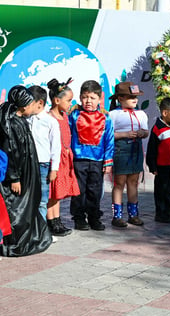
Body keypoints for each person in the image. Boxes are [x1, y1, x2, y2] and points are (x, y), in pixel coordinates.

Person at [0, 85, 52, 256]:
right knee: (17, 207)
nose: (32, 107)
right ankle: (15, 241)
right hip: (18, 176)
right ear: (23, 106)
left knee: (29, 204)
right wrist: (14, 177)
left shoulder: (20, 120)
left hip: (27, 172)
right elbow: (11, 152)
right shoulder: (12, 124)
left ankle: (29, 236)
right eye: (30, 104)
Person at [69, 80, 114, 231]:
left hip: (97, 160)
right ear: (80, 97)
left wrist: (108, 162)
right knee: (79, 191)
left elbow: (109, 139)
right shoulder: (74, 115)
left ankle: (94, 217)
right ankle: (79, 218)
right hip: (79, 160)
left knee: (95, 190)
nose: (88, 101)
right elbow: (68, 136)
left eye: (92, 98)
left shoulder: (105, 117)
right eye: (85, 97)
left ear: (99, 98)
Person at [108, 82, 149, 228]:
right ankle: (117, 216)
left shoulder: (141, 114)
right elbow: (107, 134)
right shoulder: (113, 114)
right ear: (120, 98)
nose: (135, 100)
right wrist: (124, 134)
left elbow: (146, 131)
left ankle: (133, 214)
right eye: (131, 97)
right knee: (119, 183)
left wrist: (142, 133)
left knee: (133, 182)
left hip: (136, 150)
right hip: (121, 150)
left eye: (136, 97)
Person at [46, 79, 81, 236]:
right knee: (51, 192)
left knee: (58, 193)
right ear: (56, 100)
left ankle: (57, 220)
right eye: (68, 100)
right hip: (55, 160)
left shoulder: (64, 116)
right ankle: (50, 221)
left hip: (65, 159)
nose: (70, 103)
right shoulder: (48, 118)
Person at [27, 85, 64, 235]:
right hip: (27, 164)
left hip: (43, 165)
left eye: (29, 103)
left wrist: (54, 168)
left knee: (42, 200)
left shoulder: (50, 121)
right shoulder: (25, 119)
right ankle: (29, 232)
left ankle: (42, 233)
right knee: (28, 199)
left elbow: (56, 147)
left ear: (40, 103)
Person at [146, 98, 170, 223]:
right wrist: (153, 167)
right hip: (162, 167)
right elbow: (151, 149)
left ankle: (169, 212)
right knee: (161, 191)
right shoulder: (157, 129)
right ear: (165, 113)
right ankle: (160, 214)